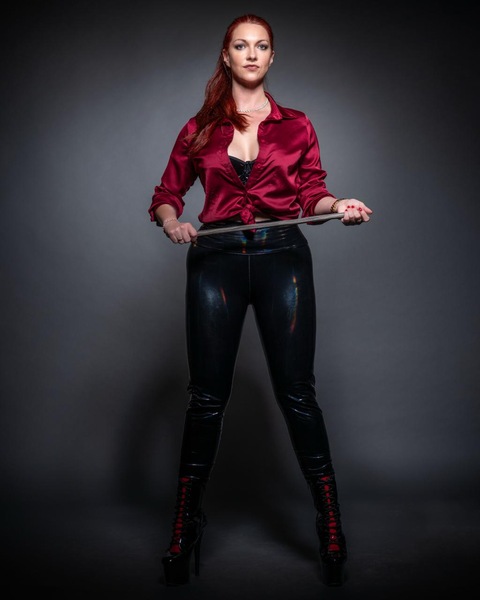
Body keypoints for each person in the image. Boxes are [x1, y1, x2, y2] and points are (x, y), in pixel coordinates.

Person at [148, 13, 373, 588]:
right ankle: (185, 523)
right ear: (226, 56)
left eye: (262, 46)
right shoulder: (198, 128)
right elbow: (167, 194)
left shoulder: (297, 125)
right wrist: (172, 222)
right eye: (241, 45)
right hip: (215, 262)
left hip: (283, 259)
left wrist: (338, 205)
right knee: (206, 398)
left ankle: (329, 523)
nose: (251, 54)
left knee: (298, 393)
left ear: (272, 57)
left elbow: (312, 193)